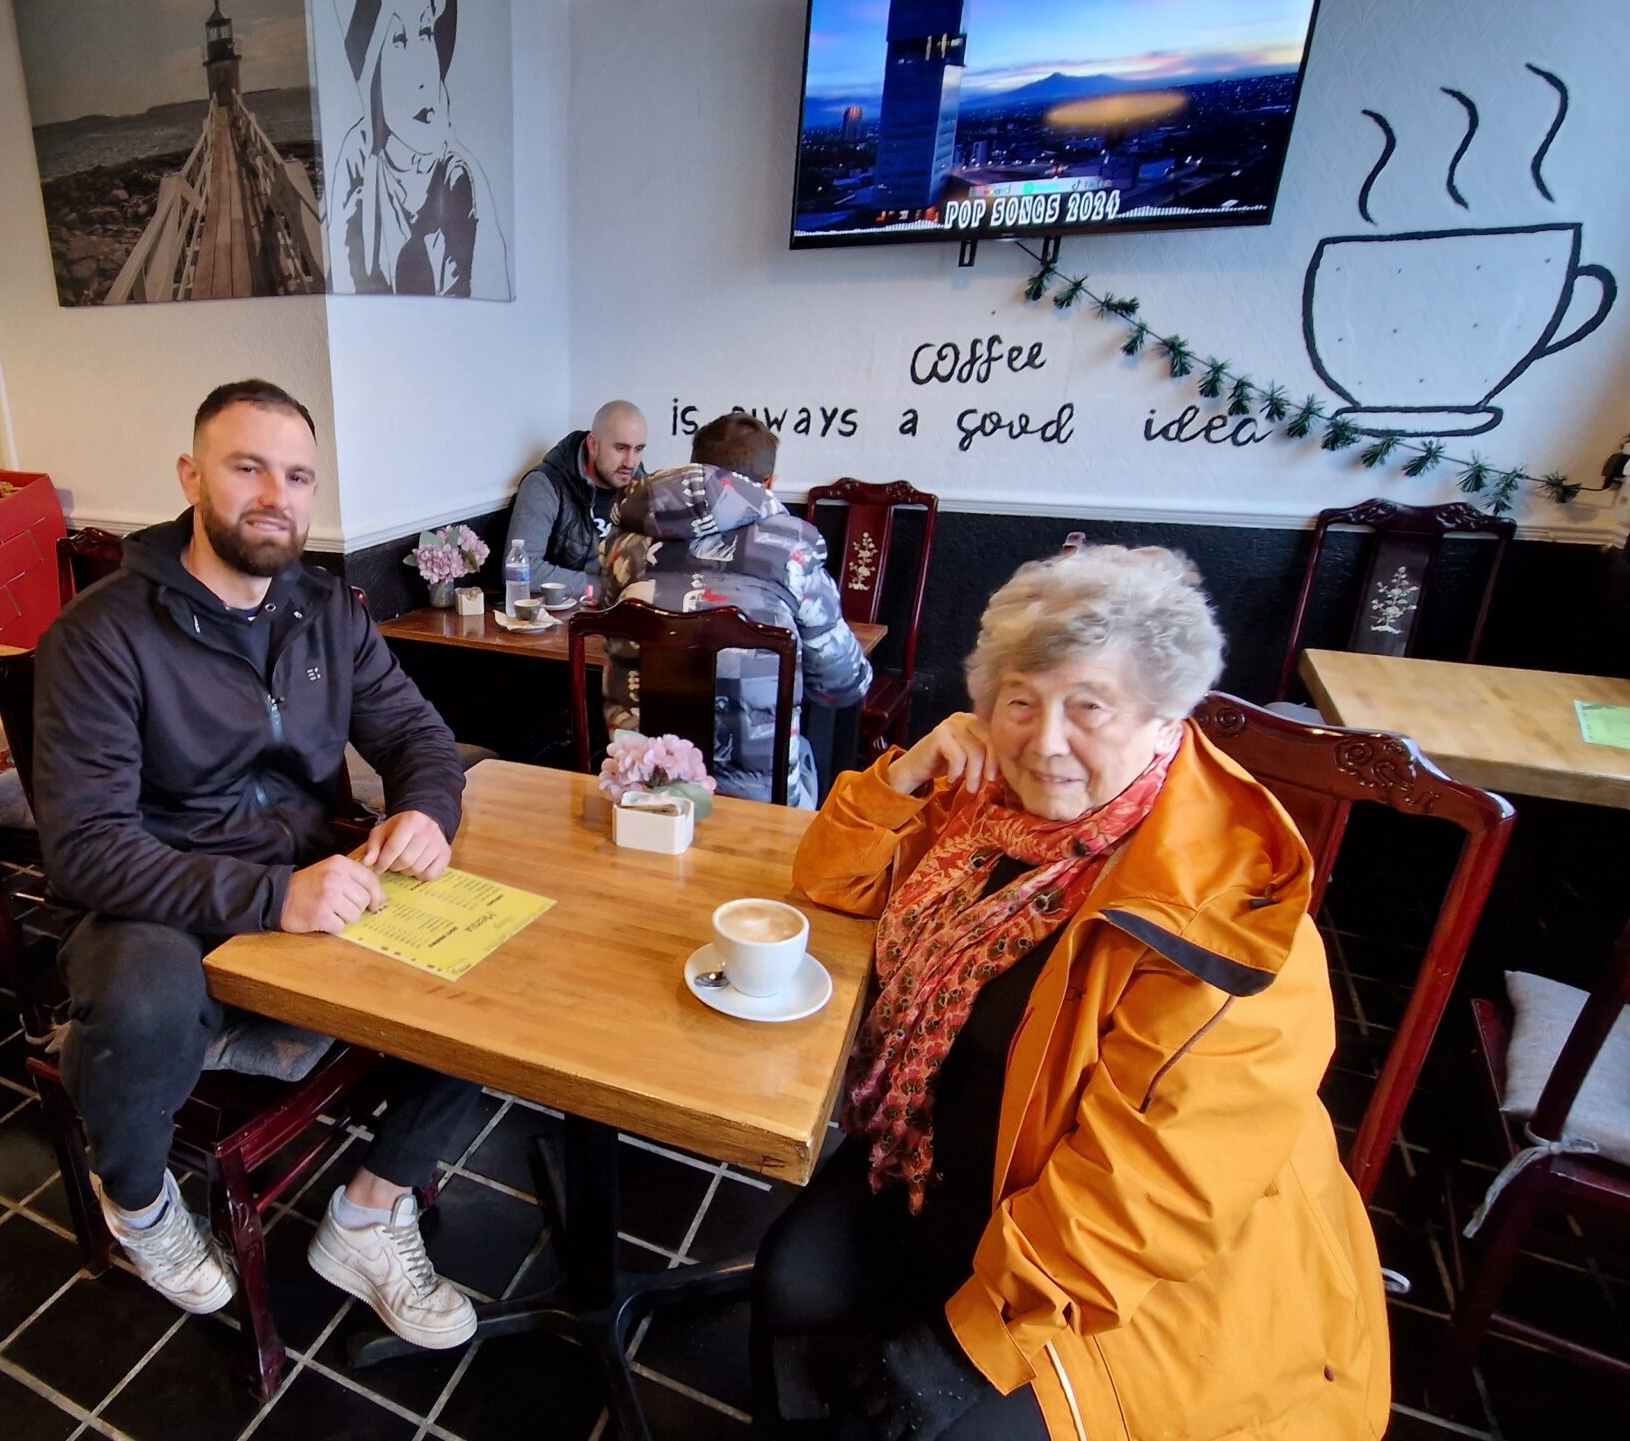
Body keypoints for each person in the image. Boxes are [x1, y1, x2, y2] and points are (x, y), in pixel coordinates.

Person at [760, 544, 1389, 1441]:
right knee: (789, 1277)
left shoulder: (1222, 914)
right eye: (1021, 700)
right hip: (937, 1175)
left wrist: (963, 1344)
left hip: (1135, 1290)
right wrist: (902, 775)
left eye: (1089, 706)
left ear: (1166, 714)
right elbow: (830, 883)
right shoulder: (983, 809)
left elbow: (1150, 1198)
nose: (1045, 740)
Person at [32, 379, 485, 1351]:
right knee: (139, 992)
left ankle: (368, 1211)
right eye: (248, 468)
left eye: (297, 475)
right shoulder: (99, 636)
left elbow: (418, 736)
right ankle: (141, 1200)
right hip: (163, 895)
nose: (275, 495)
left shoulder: (328, 611)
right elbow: (85, 847)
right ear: (192, 475)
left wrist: (424, 809)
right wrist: (273, 895)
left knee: (502, 976)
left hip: (315, 883)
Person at [599, 414, 871, 808]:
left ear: (696, 466)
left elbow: (612, 627)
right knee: (811, 759)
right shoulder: (792, 548)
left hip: (640, 780)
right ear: (769, 485)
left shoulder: (624, 541)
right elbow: (843, 684)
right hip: (759, 801)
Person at [331, 0, 511, 298]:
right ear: (372, 68)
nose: (423, 76)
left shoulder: (464, 181)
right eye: (399, 41)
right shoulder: (356, 171)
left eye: (426, 32)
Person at [507, 400, 648, 594]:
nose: (630, 462)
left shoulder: (640, 484)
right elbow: (522, 570)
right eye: (620, 448)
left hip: (625, 606)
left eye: (638, 449)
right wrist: (604, 588)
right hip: (567, 613)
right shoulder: (545, 485)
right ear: (592, 444)